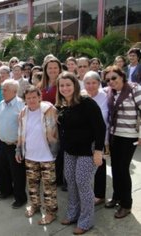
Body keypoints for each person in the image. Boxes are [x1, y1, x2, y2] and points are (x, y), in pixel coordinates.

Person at [56, 71, 105, 235]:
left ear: (75, 85)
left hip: (88, 151)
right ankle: (72, 213)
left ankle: (86, 221)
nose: (65, 88)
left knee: (82, 182)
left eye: (68, 85)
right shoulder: (63, 105)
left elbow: (100, 127)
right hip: (70, 151)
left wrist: (99, 151)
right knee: (70, 180)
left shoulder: (87, 103)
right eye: (62, 85)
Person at [15, 86, 59, 225]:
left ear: (40, 97)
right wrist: (18, 149)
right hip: (30, 155)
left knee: (49, 187)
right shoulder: (23, 112)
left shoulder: (49, 110)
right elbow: (20, 132)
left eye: (35, 97)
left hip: (47, 156)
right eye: (29, 98)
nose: (32, 100)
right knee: (32, 185)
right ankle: (35, 205)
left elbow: (55, 131)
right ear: (25, 100)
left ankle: (51, 212)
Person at [104, 65, 141, 218]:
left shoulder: (134, 88)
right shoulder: (110, 92)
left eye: (114, 78)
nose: (111, 82)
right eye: (107, 80)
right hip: (115, 135)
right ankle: (117, 196)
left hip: (129, 135)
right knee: (115, 168)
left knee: (123, 168)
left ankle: (126, 204)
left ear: (122, 76)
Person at [0, 79, 27, 209]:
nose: (2, 92)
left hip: (15, 145)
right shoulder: (1, 104)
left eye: (5, 89)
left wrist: (20, 145)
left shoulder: (21, 105)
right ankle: (6, 191)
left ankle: (20, 198)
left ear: (15, 91)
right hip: (2, 142)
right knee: (2, 169)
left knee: (17, 173)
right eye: (2, 89)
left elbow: (25, 127)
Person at [83, 71, 109, 206]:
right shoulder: (81, 95)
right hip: (84, 138)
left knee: (100, 166)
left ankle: (99, 195)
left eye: (94, 83)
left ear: (99, 83)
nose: (91, 86)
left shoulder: (105, 96)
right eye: (88, 83)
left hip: (100, 138)